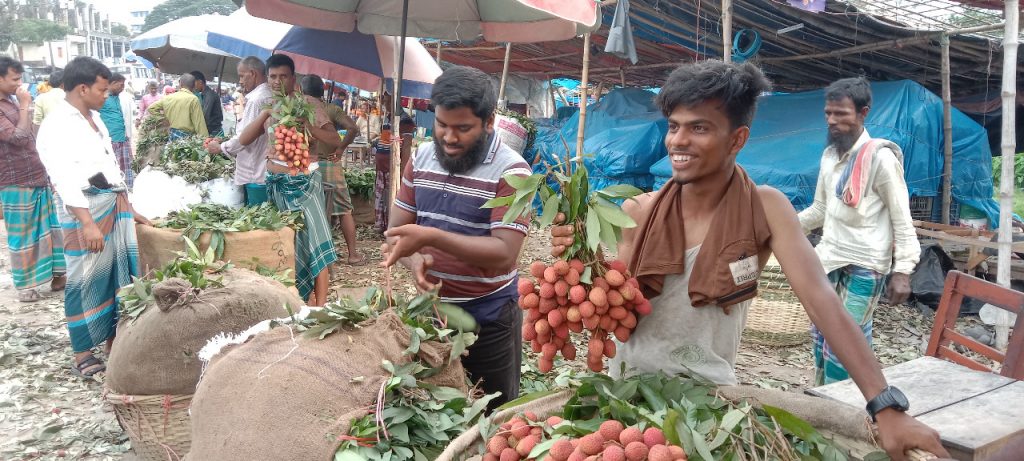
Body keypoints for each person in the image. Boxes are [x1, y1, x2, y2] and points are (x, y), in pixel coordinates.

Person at [547, 60, 947, 461]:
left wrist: (885, 404)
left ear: (737, 138)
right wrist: (580, 264)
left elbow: (822, 300)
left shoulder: (764, 209)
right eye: (674, 126)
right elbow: (613, 314)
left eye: (699, 128)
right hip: (627, 400)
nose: (678, 141)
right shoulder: (638, 211)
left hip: (708, 408)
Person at [381, 66, 532, 409]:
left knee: (493, 414)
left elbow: (504, 252)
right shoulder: (421, 158)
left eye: (463, 128)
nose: (449, 137)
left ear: (488, 121)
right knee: (437, 412)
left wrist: (432, 237)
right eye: (441, 125)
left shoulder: (513, 172)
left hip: (489, 316)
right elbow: (396, 233)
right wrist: (413, 261)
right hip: (431, 315)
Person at [797, 77, 922, 386]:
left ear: (863, 113)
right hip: (828, 258)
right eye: (828, 113)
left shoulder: (881, 159)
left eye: (841, 113)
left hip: (866, 264)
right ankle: (823, 396)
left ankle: (843, 404)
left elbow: (902, 218)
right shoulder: (830, 156)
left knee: (845, 344)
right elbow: (820, 209)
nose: (832, 120)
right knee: (821, 335)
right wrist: (779, 227)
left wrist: (903, 270)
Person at [36, 56, 151, 379]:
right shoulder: (56, 125)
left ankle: (115, 342)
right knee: (83, 280)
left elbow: (110, 166)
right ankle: (83, 352)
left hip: (113, 203)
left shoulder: (96, 118)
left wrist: (129, 207)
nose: (106, 95)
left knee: (119, 277)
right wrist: (87, 223)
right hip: (84, 209)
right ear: (83, 89)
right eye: (102, 89)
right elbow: (62, 177)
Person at [237, 54, 339, 306]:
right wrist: (265, 115)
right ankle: (293, 301)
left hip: (304, 183)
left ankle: (320, 306)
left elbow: (334, 139)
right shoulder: (267, 105)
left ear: (294, 79)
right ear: (267, 78)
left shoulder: (308, 104)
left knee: (314, 242)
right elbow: (244, 140)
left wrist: (308, 126)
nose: (277, 81)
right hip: (275, 183)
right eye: (273, 76)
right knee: (284, 241)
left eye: (283, 76)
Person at [0, 56, 66, 303]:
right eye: (15, 79)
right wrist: (25, 104)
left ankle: (58, 275)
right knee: (23, 235)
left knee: (50, 229)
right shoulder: (12, 104)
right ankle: (25, 285)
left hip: (36, 175)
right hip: (15, 180)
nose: (20, 84)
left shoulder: (11, 101)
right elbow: (18, 137)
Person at [299, 74, 364, 265]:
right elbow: (353, 128)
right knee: (344, 210)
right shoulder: (330, 109)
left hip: (305, 166)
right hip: (329, 164)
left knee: (313, 211)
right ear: (323, 92)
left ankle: (317, 255)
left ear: (302, 91)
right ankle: (352, 255)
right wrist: (340, 149)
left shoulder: (300, 109)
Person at [206, 56, 272, 206]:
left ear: (253, 73)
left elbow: (244, 138)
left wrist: (221, 147)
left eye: (242, 76)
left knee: (257, 216)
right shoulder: (267, 95)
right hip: (262, 170)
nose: (240, 81)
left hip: (255, 172)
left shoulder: (257, 99)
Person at [374, 114, 416, 235]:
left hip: (383, 167)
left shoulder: (389, 128)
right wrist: (403, 173)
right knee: (391, 196)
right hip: (389, 168)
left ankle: (381, 223)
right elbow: (406, 154)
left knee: (381, 195)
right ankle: (388, 224)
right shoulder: (404, 134)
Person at [98, 73, 137, 188]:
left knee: (125, 167)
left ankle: (126, 189)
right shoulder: (102, 97)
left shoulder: (119, 98)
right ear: (113, 83)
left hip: (122, 138)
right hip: (110, 139)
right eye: (121, 85)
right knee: (112, 167)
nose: (122, 88)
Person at [149, 74, 207, 140]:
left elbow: (151, 108)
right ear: (194, 86)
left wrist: (163, 119)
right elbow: (199, 123)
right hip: (187, 139)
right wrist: (205, 140)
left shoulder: (168, 98)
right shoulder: (193, 99)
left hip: (172, 136)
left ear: (180, 84)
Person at [189, 71, 223, 136]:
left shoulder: (209, 95)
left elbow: (205, 115)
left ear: (200, 82)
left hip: (213, 131)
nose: (192, 86)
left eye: (193, 83)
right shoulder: (204, 94)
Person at [31, 70, 64, 134]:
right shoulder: (71, 97)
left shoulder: (40, 98)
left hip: (47, 134)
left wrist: (36, 137)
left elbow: (37, 122)